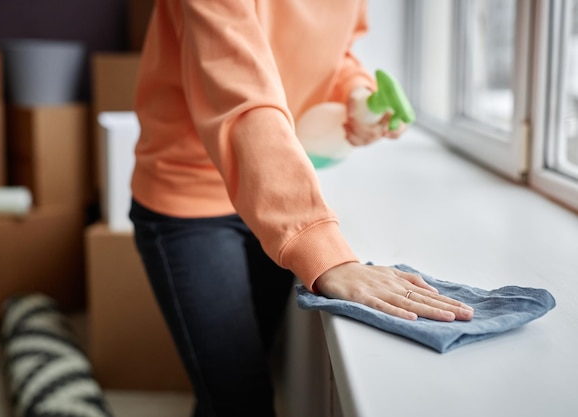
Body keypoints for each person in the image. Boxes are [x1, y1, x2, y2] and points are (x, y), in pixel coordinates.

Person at [129, 1, 475, 416]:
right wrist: (324, 252)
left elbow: (333, 52)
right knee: (239, 400)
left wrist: (355, 93)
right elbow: (243, 101)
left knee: (236, 385)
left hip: (271, 195)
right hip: (189, 199)